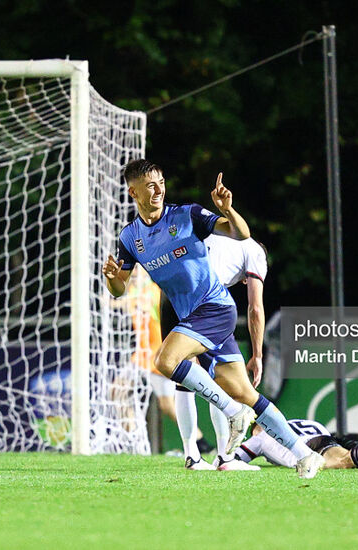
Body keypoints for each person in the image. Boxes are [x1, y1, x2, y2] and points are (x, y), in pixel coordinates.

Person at [103, 159, 324, 478]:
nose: (158, 190)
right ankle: (304, 454)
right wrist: (112, 277)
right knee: (247, 394)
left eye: (161, 182)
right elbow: (119, 289)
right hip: (192, 317)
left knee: (166, 362)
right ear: (133, 192)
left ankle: (231, 414)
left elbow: (241, 234)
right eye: (150, 185)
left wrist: (228, 210)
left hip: (214, 308)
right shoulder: (130, 237)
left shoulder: (186, 215)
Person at [168, 234, 268, 470]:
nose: (244, 281)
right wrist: (258, 355)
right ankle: (225, 456)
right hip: (204, 304)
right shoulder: (255, 252)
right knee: (224, 378)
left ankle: (192, 455)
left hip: (172, 296)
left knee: (185, 374)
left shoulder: (220, 240)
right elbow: (255, 308)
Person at [110, 266, 212, 453]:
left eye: (137, 270)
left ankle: (201, 443)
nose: (134, 273)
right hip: (142, 356)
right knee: (117, 391)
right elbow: (124, 302)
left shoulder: (152, 291)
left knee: (166, 405)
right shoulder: (134, 291)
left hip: (158, 356)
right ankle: (132, 437)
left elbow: (132, 303)